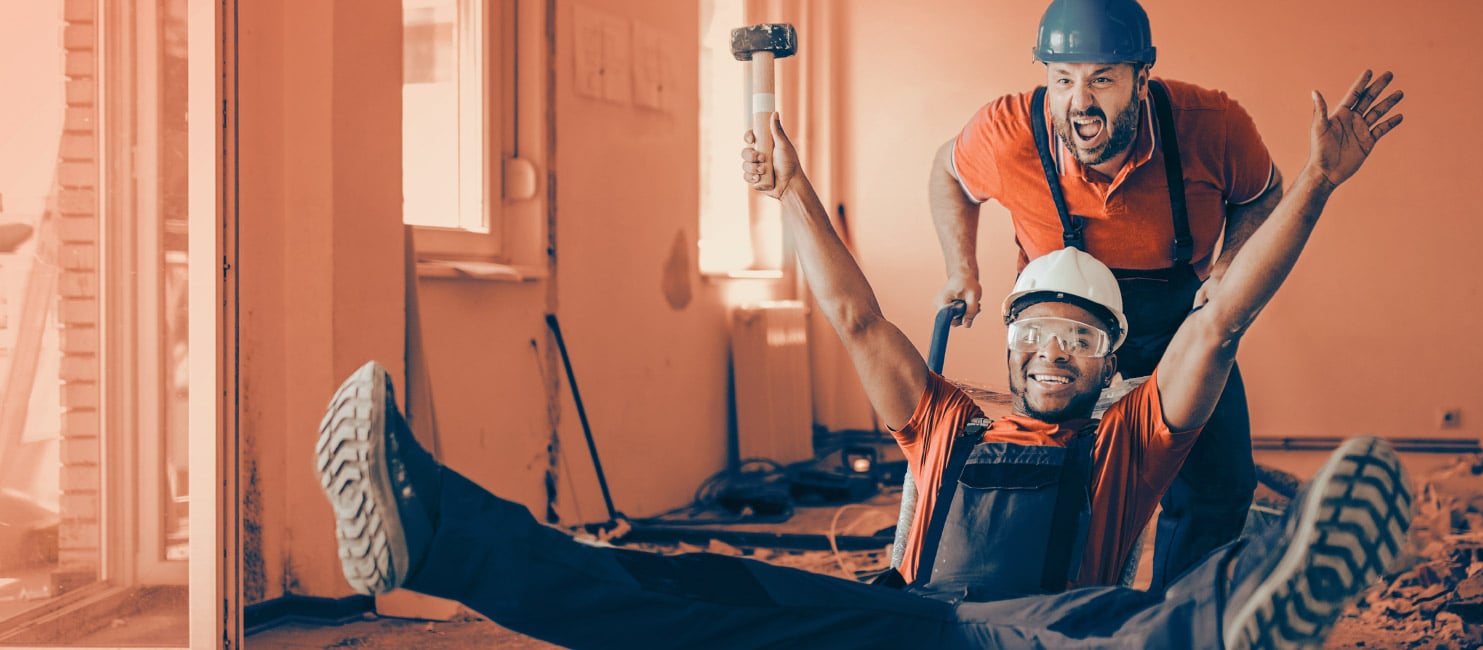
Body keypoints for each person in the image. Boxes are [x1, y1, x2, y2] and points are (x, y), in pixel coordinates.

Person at [314, 66, 1408, 648]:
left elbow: (1217, 323)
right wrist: (788, 186)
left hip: (1009, 640)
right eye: (1035, 329)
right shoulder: (946, 419)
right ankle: (435, 535)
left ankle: (1237, 606)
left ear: (1110, 357)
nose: (1050, 351)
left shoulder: (1131, 440)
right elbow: (851, 314)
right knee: (684, 588)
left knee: (1087, 624)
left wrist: (1314, 183)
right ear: (1007, 334)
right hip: (895, 621)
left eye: (1079, 337)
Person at [929, 0, 1402, 587]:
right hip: (1069, 337)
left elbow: (1262, 193)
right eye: (1063, 79)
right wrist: (961, 270)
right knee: (1058, 471)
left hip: (1179, 322)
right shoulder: (1007, 133)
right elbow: (947, 173)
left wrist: (1225, 269)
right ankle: (1054, 607)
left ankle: (1179, 620)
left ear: (1141, 79)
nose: (1079, 101)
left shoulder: (1214, 124)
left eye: (1102, 78)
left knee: (1219, 483)